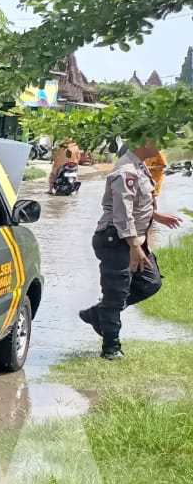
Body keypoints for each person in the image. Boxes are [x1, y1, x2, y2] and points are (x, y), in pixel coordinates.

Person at [79, 141, 182, 359]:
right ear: (146, 142)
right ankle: (111, 348)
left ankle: (99, 313)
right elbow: (122, 213)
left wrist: (157, 216)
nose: (162, 145)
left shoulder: (140, 166)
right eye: (157, 140)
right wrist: (134, 245)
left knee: (150, 282)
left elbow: (139, 203)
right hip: (116, 238)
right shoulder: (125, 171)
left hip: (134, 237)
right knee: (116, 292)